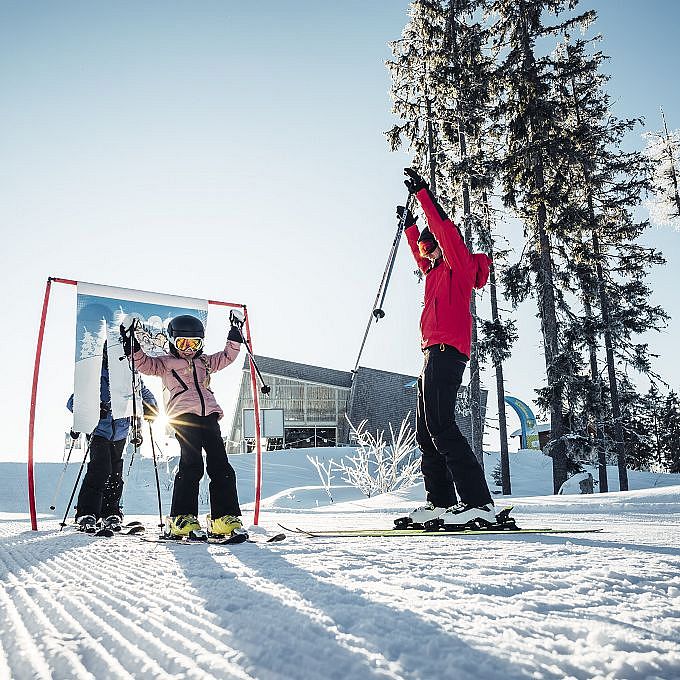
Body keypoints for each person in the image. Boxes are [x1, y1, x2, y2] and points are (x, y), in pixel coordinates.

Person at [399, 167, 496, 529]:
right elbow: (419, 255)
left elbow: (445, 230)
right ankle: (440, 502)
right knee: (426, 430)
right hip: (430, 354)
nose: (426, 254)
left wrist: (424, 195)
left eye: (429, 246)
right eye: (424, 248)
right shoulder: (436, 269)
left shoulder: (458, 264)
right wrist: (410, 228)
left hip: (448, 352)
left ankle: (479, 502)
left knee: (442, 425)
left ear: (441, 246)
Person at [121, 312, 245, 539]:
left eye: (194, 343)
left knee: (222, 466)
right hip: (183, 417)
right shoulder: (166, 363)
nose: (188, 348)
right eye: (183, 343)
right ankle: (181, 517)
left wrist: (235, 332)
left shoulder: (205, 362)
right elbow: (144, 365)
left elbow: (228, 356)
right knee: (192, 464)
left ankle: (222, 518)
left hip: (209, 416)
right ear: (172, 342)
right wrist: (131, 345)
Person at [68, 347, 158, 533]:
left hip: (121, 430)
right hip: (99, 429)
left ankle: (110, 511)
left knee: (115, 471)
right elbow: (73, 401)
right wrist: (92, 408)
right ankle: (87, 512)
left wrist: (150, 408)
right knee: (101, 468)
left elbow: (144, 394)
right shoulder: (93, 375)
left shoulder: (131, 373)